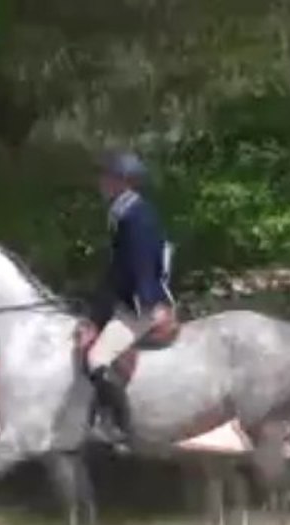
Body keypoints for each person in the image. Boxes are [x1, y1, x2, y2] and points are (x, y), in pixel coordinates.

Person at [86, 150, 176, 445]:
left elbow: (134, 268)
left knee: (97, 358)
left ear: (121, 182)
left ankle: (119, 426)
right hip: (132, 299)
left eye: (105, 177)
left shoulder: (134, 216)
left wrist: (144, 306)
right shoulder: (125, 211)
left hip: (139, 304)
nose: (100, 183)